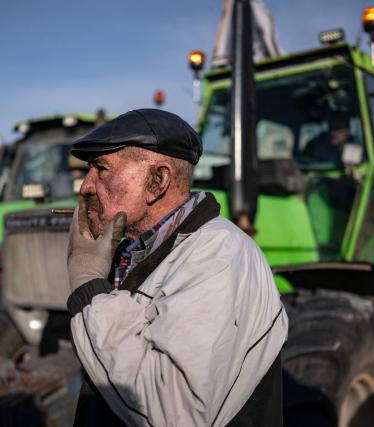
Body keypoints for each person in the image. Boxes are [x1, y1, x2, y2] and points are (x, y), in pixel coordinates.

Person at [66, 108, 288, 427]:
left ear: (158, 180)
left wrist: (89, 288)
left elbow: (173, 412)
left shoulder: (219, 256)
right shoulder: (135, 249)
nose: (85, 187)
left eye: (101, 169)